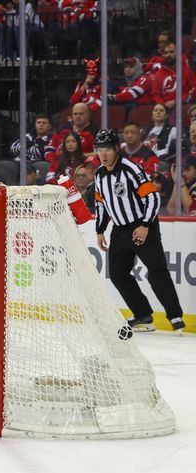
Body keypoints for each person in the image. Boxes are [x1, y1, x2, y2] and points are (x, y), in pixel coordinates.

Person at [93, 129, 184, 333]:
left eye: (107, 148)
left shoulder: (131, 169)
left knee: (156, 271)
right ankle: (143, 315)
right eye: (99, 150)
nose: (103, 154)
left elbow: (152, 198)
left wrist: (144, 225)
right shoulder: (99, 175)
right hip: (119, 229)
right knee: (118, 274)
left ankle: (175, 316)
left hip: (143, 226)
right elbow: (101, 204)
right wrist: (100, 230)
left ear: (116, 148)